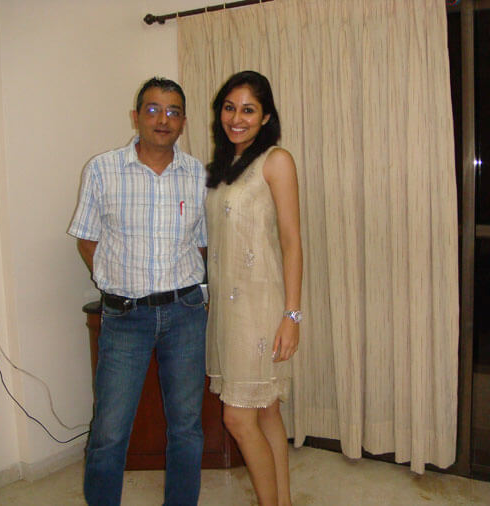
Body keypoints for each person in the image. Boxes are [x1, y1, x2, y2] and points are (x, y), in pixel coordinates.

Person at [68, 77, 208, 506]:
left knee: (186, 427)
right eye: (152, 109)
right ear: (135, 117)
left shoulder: (198, 175)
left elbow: (200, 245)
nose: (163, 119)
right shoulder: (102, 169)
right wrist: (116, 285)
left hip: (185, 312)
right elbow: (87, 239)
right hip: (125, 317)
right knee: (109, 432)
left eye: (173, 111)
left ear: (183, 121)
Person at [205, 70, 303, 506]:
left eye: (248, 110)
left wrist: (292, 315)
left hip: (261, 309)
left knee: (238, 419)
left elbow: (292, 241)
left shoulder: (275, 160)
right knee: (266, 412)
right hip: (228, 310)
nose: (236, 118)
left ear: (265, 117)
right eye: (230, 108)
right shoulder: (224, 167)